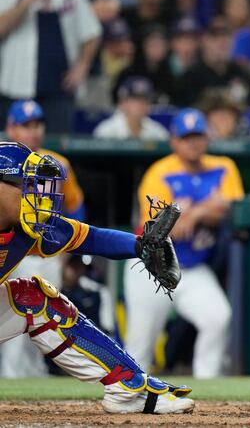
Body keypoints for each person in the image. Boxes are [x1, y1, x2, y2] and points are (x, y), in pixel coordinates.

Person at [0, 141, 194, 413]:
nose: (35, 196)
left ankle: (128, 388)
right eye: (25, 186)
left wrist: (140, 246)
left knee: (33, 299)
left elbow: (91, 238)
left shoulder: (25, 229)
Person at [126, 108, 243, 379]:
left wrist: (195, 212)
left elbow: (229, 207)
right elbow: (165, 229)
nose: (193, 142)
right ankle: (129, 395)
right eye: (187, 136)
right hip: (151, 268)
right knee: (141, 344)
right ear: (174, 141)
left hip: (192, 268)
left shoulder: (223, 166)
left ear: (207, 138)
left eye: (198, 136)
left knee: (218, 317)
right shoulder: (159, 173)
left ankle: (208, 387)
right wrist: (205, 208)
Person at [0, 99, 84, 377]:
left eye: (37, 124)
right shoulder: (4, 163)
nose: (33, 131)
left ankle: (34, 375)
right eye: (26, 125)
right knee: (14, 322)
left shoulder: (58, 164)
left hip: (47, 252)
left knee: (45, 321)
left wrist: (67, 256)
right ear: (11, 128)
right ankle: (12, 376)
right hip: (14, 252)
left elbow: (76, 207)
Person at [0, 0, 101, 132]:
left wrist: (81, 67)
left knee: (57, 149)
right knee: (13, 150)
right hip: (15, 85)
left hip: (58, 88)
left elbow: (92, 32)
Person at [178, 16, 250, 108]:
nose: (222, 41)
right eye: (215, 36)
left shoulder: (244, 76)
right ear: (204, 40)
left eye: (226, 35)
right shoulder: (190, 78)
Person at [93, 77, 169, 140]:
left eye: (146, 100)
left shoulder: (157, 131)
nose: (142, 105)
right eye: (136, 100)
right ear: (122, 103)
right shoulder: (106, 131)